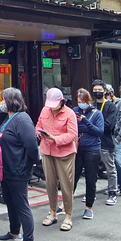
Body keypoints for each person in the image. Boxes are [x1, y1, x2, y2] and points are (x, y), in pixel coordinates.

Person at [0, 87, 37, 241]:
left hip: (18, 170)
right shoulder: (10, 117)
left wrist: (29, 163)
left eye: (3, 99)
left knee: (21, 205)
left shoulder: (22, 119)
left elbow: (32, 146)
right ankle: (14, 232)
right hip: (7, 169)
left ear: (11, 101)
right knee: (10, 202)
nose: (1, 103)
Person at [35, 87, 77, 231]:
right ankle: (53, 212)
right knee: (50, 184)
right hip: (47, 150)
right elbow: (38, 125)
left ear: (61, 102)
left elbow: (72, 135)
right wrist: (39, 133)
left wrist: (55, 138)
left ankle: (68, 216)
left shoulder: (70, 113)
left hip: (64, 152)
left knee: (66, 185)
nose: (52, 108)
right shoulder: (44, 110)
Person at [73, 88, 104, 220]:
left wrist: (85, 122)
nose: (81, 103)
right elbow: (73, 128)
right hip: (78, 147)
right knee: (73, 176)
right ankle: (65, 204)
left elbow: (99, 132)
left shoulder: (97, 113)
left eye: (84, 101)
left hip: (92, 149)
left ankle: (89, 207)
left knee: (91, 178)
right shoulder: (74, 111)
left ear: (89, 101)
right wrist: (88, 127)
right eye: (79, 101)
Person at [92, 80, 118, 205]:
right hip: (92, 143)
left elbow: (109, 125)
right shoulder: (91, 105)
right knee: (91, 169)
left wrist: (91, 126)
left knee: (110, 169)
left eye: (99, 90)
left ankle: (113, 192)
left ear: (105, 91)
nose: (97, 92)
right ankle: (91, 193)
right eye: (95, 90)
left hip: (106, 142)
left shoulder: (110, 106)